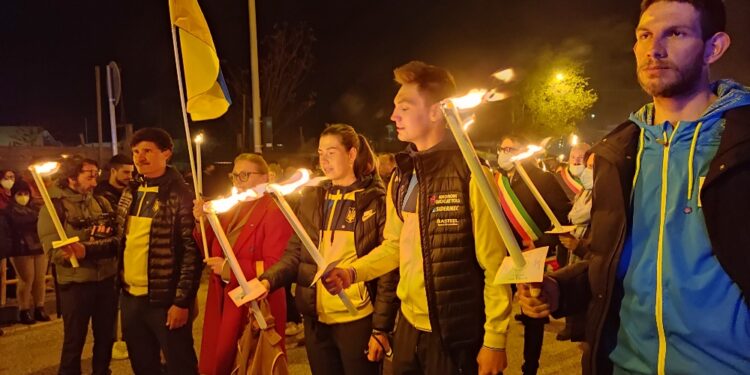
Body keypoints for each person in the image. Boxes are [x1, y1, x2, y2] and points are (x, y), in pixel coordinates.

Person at [518, 1, 750, 374]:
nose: (653, 49)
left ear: (714, 46)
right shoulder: (619, 152)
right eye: (644, 35)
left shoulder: (741, 145)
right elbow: (609, 262)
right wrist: (559, 290)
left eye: (675, 33)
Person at [324, 61, 511, 375]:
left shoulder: (471, 173)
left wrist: (494, 339)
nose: (393, 115)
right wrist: (353, 272)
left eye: (404, 107)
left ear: (437, 111)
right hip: (408, 327)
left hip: (453, 336)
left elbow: (495, 265)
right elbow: (394, 246)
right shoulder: (402, 175)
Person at [258, 124, 399, 375]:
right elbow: (295, 253)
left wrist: (380, 328)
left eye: (331, 152)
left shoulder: (376, 200)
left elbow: (388, 269)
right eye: (320, 152)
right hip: (316, 320)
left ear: (352, 153)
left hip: (357, 319)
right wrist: (267, 281)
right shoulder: (314, 198)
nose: (323, 159)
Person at [194, 153, 293, 375]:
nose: (238, 182)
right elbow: (211, 250)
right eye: (235, 176)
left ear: (266, 177)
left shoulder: (274, 210)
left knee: (248, 362)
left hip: (254, 301)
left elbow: (276, 265)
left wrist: (229, 268)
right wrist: (203, 221)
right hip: (225, 296)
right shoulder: (232, 207)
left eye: (245, 176)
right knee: (221, 360)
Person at [114, 128, 203, 375]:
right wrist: (84, 250)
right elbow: (120, 241)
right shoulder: (130, 192)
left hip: (164, 302)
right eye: (135, 152)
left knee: (180, 364)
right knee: (143, 366)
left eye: (147, 151)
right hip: (130, 298)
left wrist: (181, 302)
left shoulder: (181, 195)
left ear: (166, 153)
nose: (139, 157)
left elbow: (191, 253)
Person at [37, 156, 120, 375]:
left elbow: (117, 236)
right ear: (71, 177)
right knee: (75, 339)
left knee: (106, 336)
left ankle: (102, 371)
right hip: (76, 283)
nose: (94, 181)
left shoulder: (100, 202)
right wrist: (72, 252)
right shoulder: (53, 207)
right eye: (89, 175)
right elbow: (52, 249)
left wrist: (101, 241)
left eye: (96, 175)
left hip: (106, 280)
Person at [496, 135, 571, 375]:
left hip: (532, 253)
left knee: (533, 314)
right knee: (496, 309)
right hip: (501, 254)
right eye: (503, 148)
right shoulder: (497, 181)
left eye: (511, 148)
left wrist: (541, 243)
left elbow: (562, 216)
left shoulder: (543, 179)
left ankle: (530, 367)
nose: (505, 152)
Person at [4, 179, 48, 325]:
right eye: (20, 194)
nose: (23, 197)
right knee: (26, 279)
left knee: (40, 278)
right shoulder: (8, 212)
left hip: (38, 246)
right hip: (21, 249)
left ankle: (39, 307)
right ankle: (24, 310)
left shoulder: (35, 209)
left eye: (26, 193)